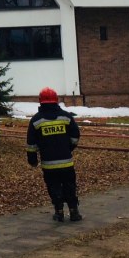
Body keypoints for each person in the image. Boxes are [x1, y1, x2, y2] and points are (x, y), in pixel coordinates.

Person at [26, 87, 82, 222]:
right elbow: (75, 136)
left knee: (54, 186)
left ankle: (59, 212)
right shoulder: (66, 117)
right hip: (67, 162)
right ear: (56, 100)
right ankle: (74, 212)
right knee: (69, 185)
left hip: (49, 164)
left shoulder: (36, 120)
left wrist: (33, 160)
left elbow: (31, 144)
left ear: (40, 101)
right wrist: (68, 148)